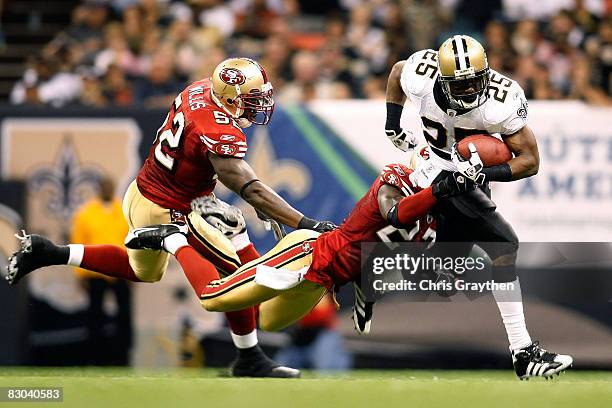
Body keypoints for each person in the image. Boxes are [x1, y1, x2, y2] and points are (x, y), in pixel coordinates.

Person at [5, 57, 335, 378]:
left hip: (142, 193)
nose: (259, 104)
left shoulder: (202, 88)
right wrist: (304, 223)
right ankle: (249, 356)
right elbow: (252, 189)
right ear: (231, 98)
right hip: (175, 210)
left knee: (141, 271)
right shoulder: (217, 128)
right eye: (252, 99)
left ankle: (50, 251)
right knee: (233, 280)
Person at [384, 34, 571, 379]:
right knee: (504, 245)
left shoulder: (500, 99)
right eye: (461, 84)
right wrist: (392, 123)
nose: (470, 91)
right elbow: (397, 72)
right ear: (441, 77)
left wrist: (484, 170)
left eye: (475, 82)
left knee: (450, 268)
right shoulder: (422, 77)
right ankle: (523, 352)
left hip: (471, 178)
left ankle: (433, 265)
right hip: (435, 170)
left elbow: (530, 161)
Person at [71, 176, 132, 365]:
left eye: (109, 185)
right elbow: (78, 241)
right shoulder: (86, 214)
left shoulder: (124, 211)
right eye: (104, 186)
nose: (107, 189)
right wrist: (79, 273)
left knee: (124, 314)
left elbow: (133, 241)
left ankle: (123, 356)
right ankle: (94, 355)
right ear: (98, 189)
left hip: (121, 270)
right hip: (95, 271)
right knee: (94, 314)